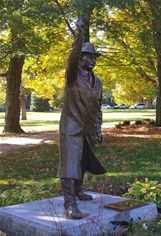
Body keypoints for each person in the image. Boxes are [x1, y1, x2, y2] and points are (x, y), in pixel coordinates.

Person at [57, 16, 106, 219]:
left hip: (87, 128)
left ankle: (78, 191)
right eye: (88, 57)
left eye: (95, 58)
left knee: (83, 161)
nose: (92, 60)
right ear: (81, 58)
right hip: (70, 127)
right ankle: (70, 204)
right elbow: (71, 58)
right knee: (69, 164)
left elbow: (98, 109)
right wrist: (79, 34)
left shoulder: (99, 82)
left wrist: (97, 129)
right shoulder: (72, 76)